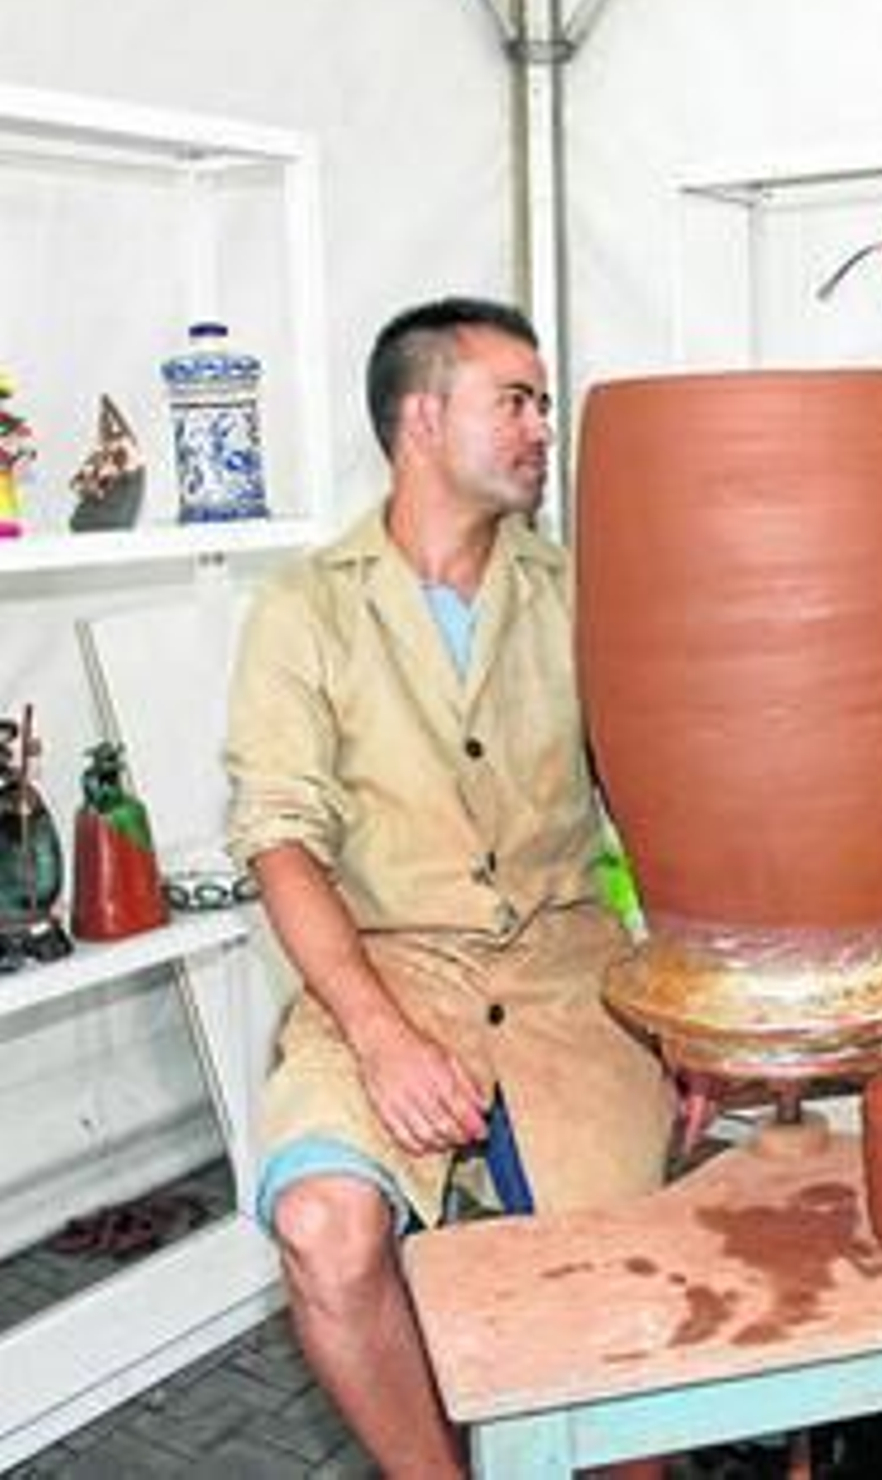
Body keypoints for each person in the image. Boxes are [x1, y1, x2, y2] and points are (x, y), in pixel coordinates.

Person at [226, 297, 675, 1479]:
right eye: (514, 400)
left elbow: (659, 811)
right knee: (325, 1228)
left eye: (542, 402)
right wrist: (376, 1036)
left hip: (571, 978)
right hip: (384, 971)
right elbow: (279, 839)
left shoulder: (586, 594)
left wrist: (687, 1016)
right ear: (420, 419)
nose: (541, 427)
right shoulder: (304, 609)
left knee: (615, 1367)